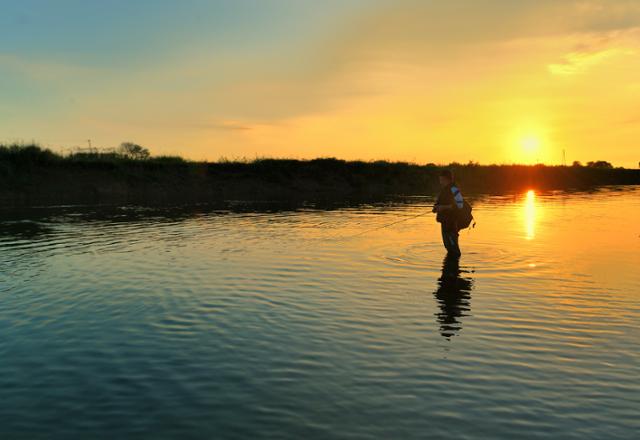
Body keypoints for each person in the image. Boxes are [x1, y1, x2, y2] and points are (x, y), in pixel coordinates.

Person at [432, 169, 464, 256]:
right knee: (448, 247)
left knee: (454, 249)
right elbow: (440, 202)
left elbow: (460, 205)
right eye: (440, 180)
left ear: (447, 179)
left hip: (452, 223)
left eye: (441, 180)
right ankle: (450, 267)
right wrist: (436, 207)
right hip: (444, 222)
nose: (440, 182)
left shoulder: (454, 189)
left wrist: (443, 207)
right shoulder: (444, 190)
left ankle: (455, 267)